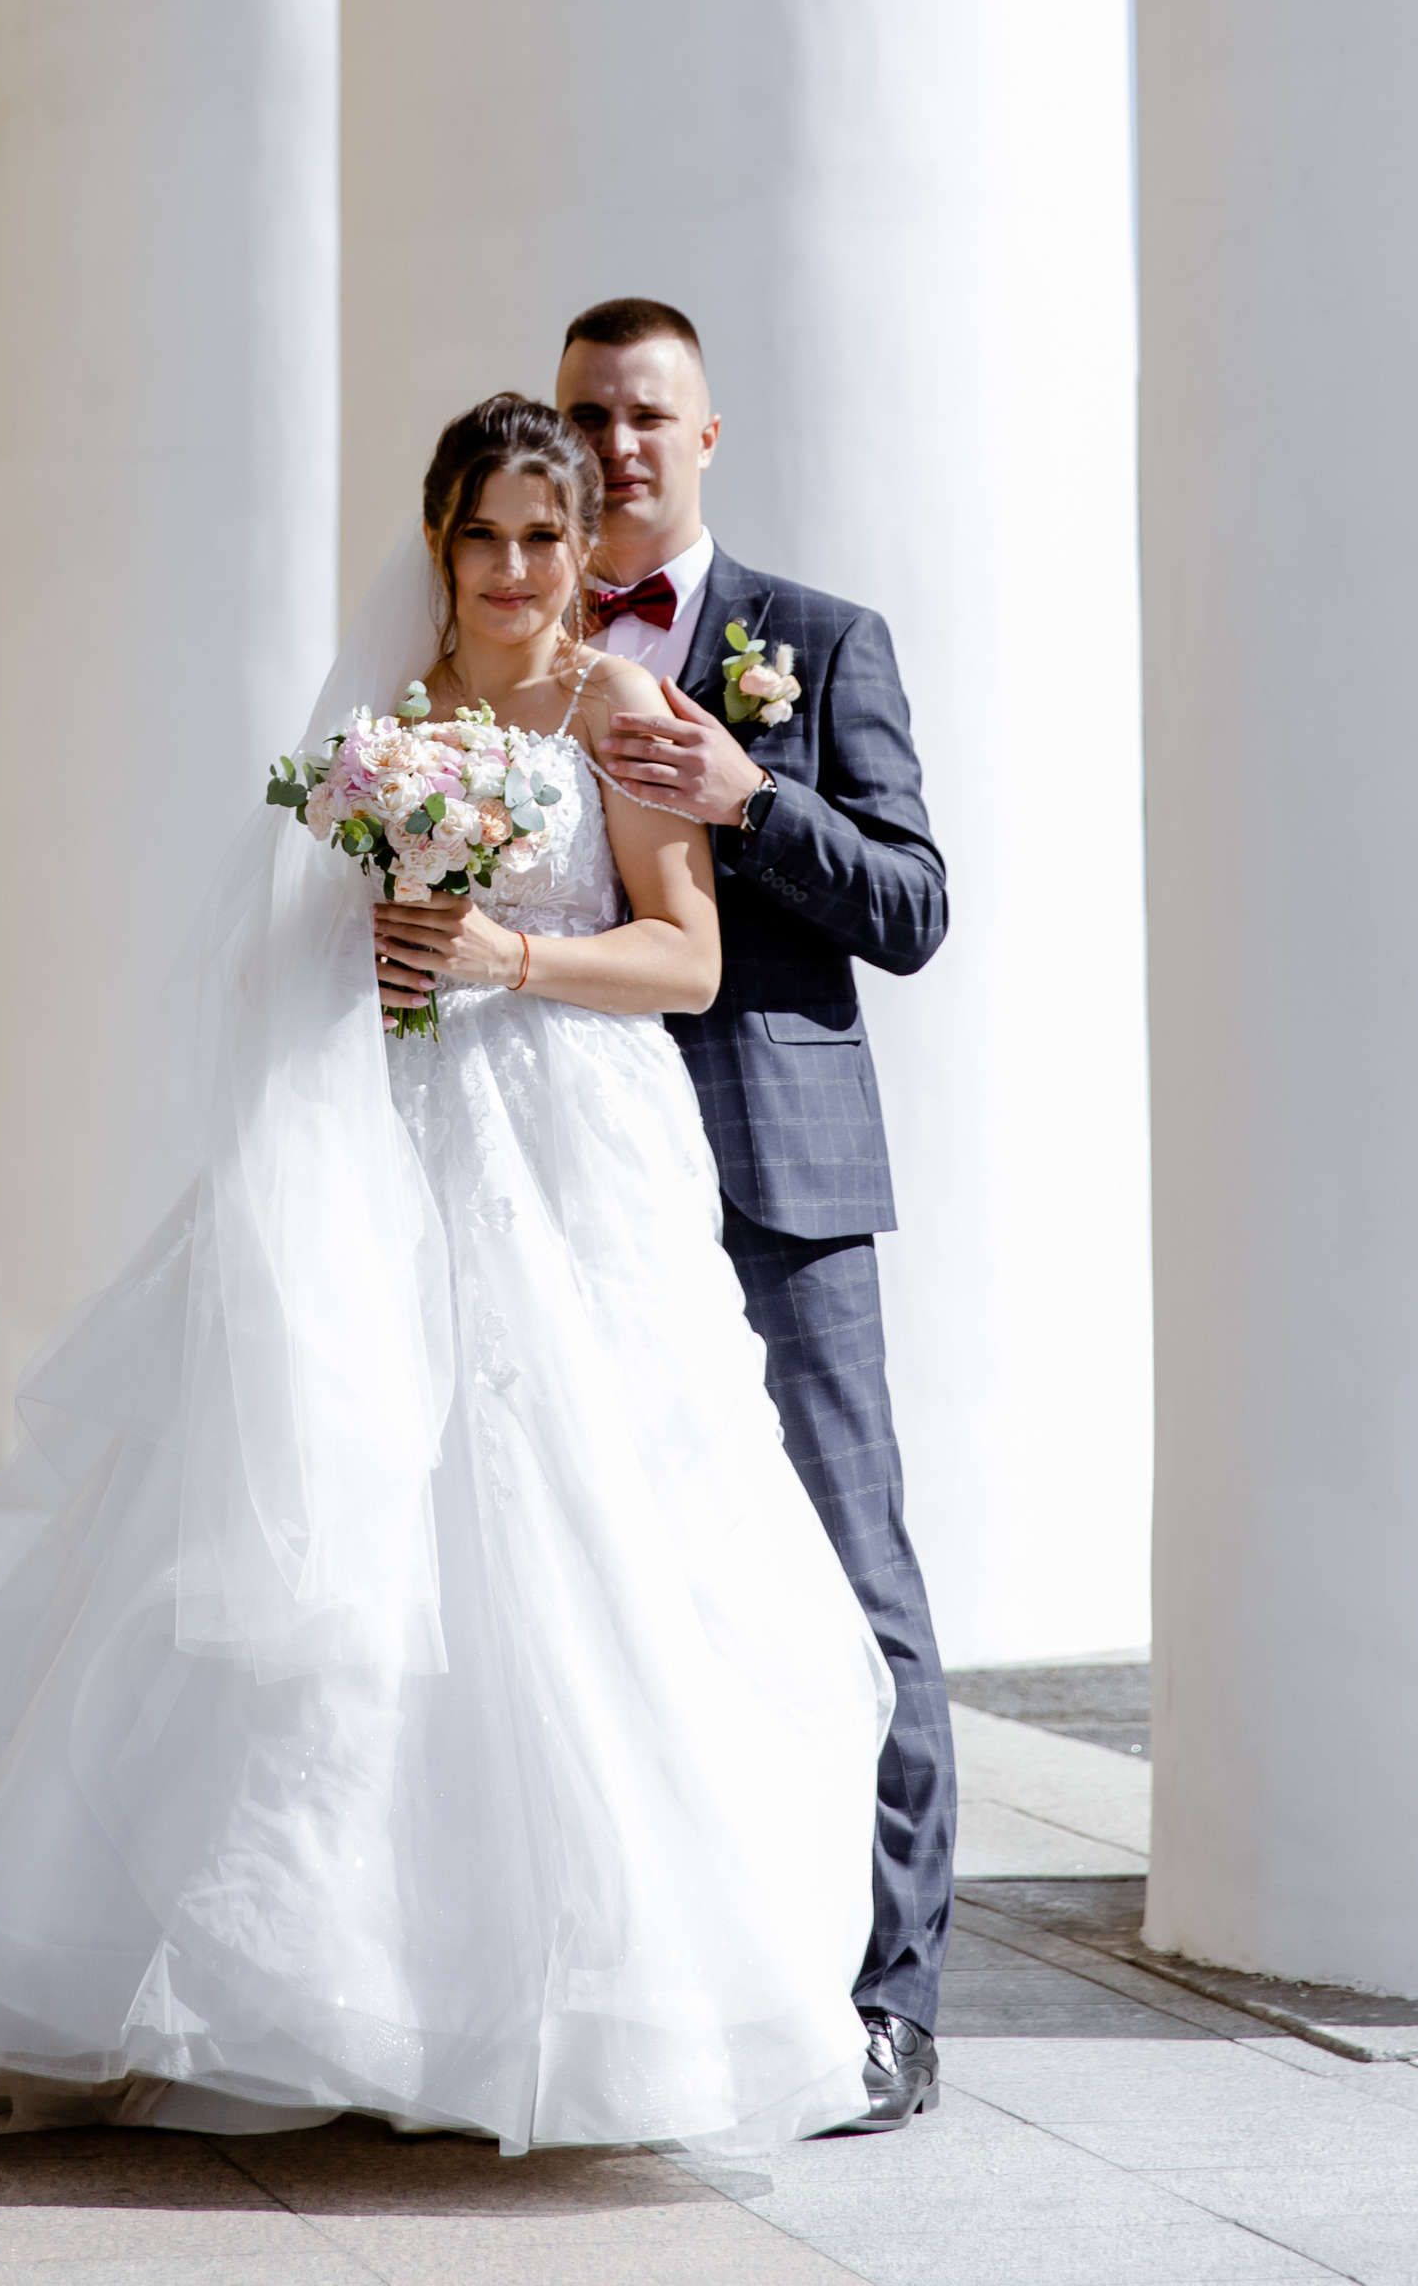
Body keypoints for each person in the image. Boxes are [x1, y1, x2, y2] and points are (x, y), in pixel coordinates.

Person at [0, 393, 890, 2156]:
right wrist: (376, 971)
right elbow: (296, 960)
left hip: (565, 1147)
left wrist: (506, 948)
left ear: (584, 552)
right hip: (378, 1140)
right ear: (439, 539)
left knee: (562, 1533)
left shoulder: (622, 705)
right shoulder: (394, 726)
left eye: (543, 538)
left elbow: (689, 960)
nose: (512, 569)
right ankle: (285, 1993)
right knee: (326, 1513)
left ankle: (536, 2009)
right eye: (484, 535)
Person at [554, 297, 953, 2134]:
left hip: (778, 1184)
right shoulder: (515, 643)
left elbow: (914, 903)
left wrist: (749, 790)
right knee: (611, 1582)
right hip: (568, 1177)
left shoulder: (820, 638)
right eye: (587, 417)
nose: (617, 445)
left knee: (854, 1578)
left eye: (648, 415)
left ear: (708, 437)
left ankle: (893, 2002)